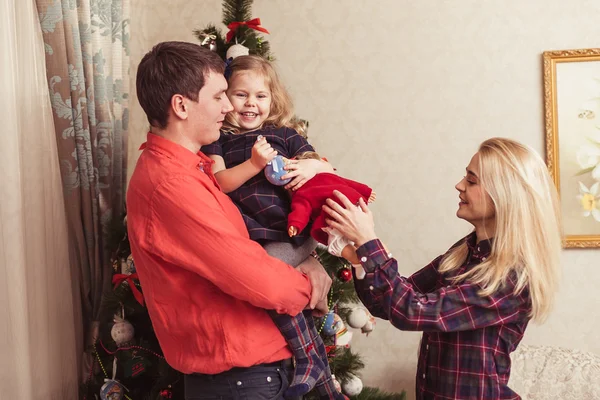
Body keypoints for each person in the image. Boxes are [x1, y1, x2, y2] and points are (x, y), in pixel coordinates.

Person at [126, 41, 332, 400]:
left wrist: (307, 258)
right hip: (241, 382)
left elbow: (245, 249)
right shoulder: (171, 185)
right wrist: (308, 284)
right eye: (220, 96)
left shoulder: (193, 170)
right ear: (181, 106)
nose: (229, 107)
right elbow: (254, 278)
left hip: (252, 375)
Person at [322, 138, 562, 400]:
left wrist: (369, 241)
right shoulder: (464, 253)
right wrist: (358, 258)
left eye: (471, 181)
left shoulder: (512, 276)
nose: (459, 186)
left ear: (504, 194)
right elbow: (388, 302)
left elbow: (410, 311)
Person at [201, 55, 345, 399]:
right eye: (241, 95)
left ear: (272, 99)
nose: (251, 103)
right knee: (269, 286)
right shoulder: (218, 140)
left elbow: (323, 167)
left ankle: (308, 357)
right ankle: (325, 384)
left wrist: (309, 169)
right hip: (257, 237)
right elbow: (221, 182)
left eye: (260, 96)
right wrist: (254, 164)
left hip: (295, 231)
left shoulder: (283, 134)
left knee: (267, 282)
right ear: (225, 98)